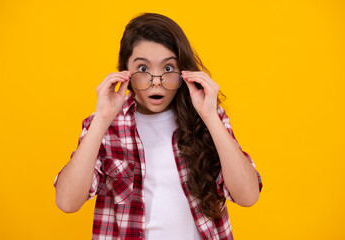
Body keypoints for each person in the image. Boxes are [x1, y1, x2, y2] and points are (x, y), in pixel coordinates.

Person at [54, 13, 262, 240]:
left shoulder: (208, 119)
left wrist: (210, 116)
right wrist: (102, 119)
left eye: (168, 68)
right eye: (143, 69)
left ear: (183, 72)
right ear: (125, 72)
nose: (155, 80)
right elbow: (67, 202)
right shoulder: (104, 126)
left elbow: (248, 196)